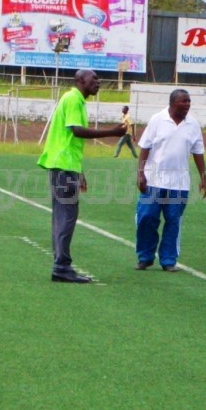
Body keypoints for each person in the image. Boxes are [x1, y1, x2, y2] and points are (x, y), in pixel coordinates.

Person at [38, 69, 127, 283]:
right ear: (80, 81)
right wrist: (111, 132)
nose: (98, 82)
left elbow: (71, 141)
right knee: (66, 216)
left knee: (62, 216)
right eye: (93, 79)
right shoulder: (73, 99)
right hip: (63, 165)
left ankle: (61, 265)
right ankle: (62, 266)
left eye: (98, 79)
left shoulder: (74, 99)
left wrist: (80, 171)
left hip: (65, 165)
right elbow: (77, 131)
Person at [135, 89, 206, 272]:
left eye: (189, 101)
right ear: (173, 102)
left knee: (173, 221)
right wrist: (140, 173)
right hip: (153, 180)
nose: (187, 104)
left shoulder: (193, 124)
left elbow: (198, 152)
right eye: (184, 101)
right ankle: (145, 257)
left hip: (179, 184)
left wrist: (203, 177)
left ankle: (168, 260)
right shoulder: (157, 120)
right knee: (146, 218)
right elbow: (145, 147)